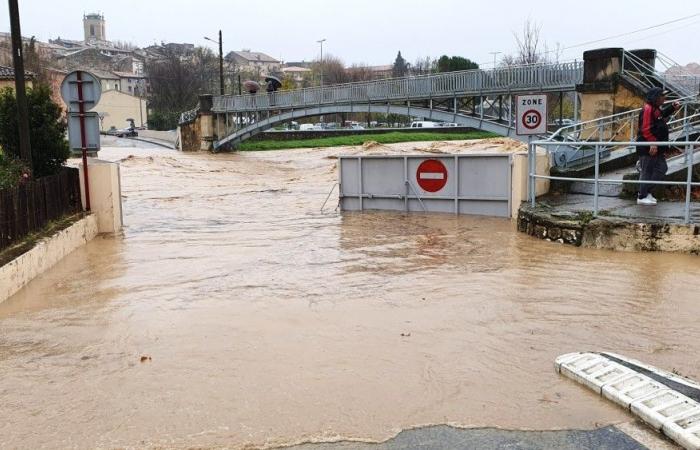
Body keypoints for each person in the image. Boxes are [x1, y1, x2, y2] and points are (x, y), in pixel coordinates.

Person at [636, 87, 681, 205]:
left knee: (662, 168)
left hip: (657, 146)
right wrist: (652, 143)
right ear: (655, 98)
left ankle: (646, 191)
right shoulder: (648, 109)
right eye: (662, 96)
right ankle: (641, 196)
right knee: (647, 170)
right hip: (648, 147)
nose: (664, 98)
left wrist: (672, 108)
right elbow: (645, 128)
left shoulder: (656, 109)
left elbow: (660, 117)